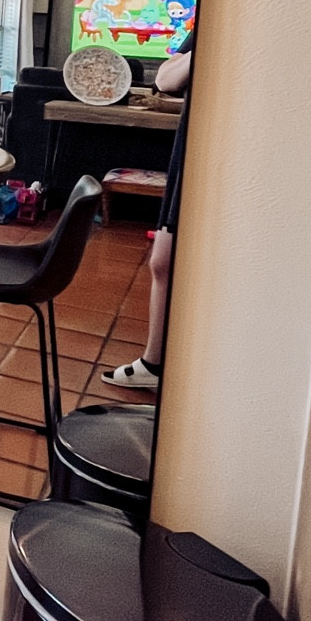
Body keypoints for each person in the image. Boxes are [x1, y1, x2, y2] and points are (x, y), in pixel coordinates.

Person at [102, 29, 193, 391]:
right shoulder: (211, 24)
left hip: (212, 155)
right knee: (162, 261)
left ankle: (164, 365)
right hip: (187, 150)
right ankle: (154, 364)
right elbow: (165, 78)